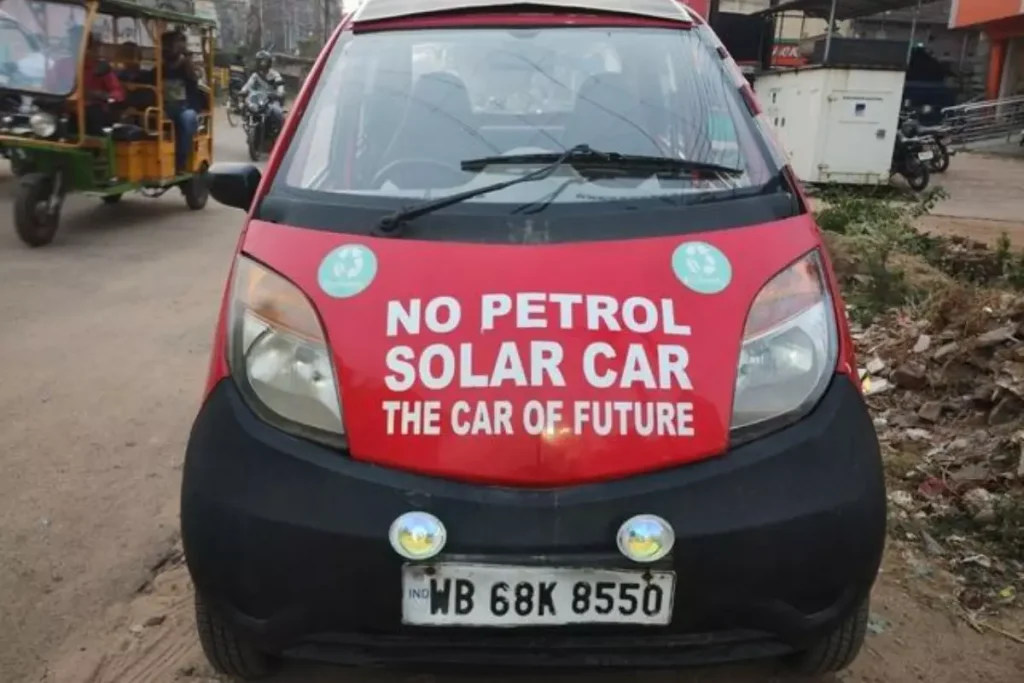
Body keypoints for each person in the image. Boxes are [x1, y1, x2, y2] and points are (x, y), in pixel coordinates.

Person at [45, 26, 125, 135]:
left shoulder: (100, 67)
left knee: (94, 115)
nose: (75, 46)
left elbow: (118, 93)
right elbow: (49, 88)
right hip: (65, 108)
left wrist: (102, 95)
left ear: (88, 46)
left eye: (78, 43)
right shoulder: (61, 65)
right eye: (73, 43)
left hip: (91, 111)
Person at [161, 28, 200, 173]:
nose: (167, 48)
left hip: (183, 107)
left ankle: (181, 162)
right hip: (163, 107)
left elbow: (193, 86)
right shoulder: (161, 66)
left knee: (186, 120)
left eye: (170, 44)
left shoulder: (186, 65)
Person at [240, 50, 285, 135]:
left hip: (271, 100)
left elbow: (280, 86)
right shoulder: (255, 75)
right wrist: (243, 91)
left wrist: (279, 93)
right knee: (246, 105)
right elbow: (248, 84)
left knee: (278, 114)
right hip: (259, 99)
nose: (262, 64)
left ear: (269, 62)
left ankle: (279, 134)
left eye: (264, 62)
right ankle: (247, 122)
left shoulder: (275, 75)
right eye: (260, 61)